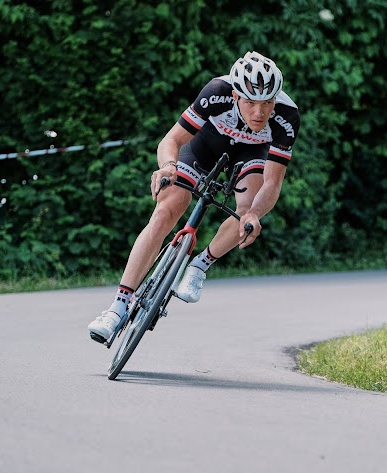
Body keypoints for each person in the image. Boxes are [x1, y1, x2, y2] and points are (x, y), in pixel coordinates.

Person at [88, 51, 301, 343]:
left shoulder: (287, 117)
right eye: (250, 102)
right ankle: (117, 308)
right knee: (166, 210)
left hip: (252, 155)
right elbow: (172, 140)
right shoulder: (216, 92)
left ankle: (200, 264)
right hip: (207, 144)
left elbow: (273, 183)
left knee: (248, 209)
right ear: (236, 96)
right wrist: (168, 166)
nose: (259, 113)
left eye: (266, 103)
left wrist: (254, 213)